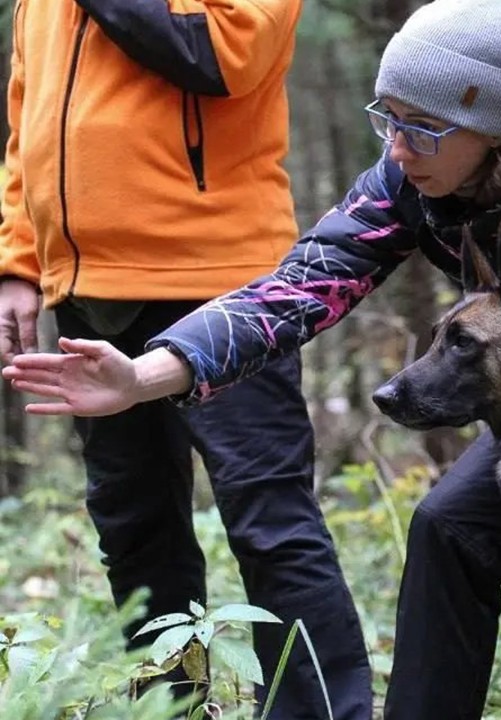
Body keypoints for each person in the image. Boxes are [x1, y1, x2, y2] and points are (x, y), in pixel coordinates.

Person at [3, 0, 501, 718]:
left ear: (491, 121)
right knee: (450, 532)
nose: (400, 146)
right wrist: (147, 375)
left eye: (421, 128)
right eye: (387, 120)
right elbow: (295, 289)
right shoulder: (412, 179)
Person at [0, 2, 371, 718]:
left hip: (220, 281)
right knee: (134, 526)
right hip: (87, 288)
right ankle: (168, 706)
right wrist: (17, 260)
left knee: (269, 520)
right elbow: (26, 117)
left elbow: (223, 54)